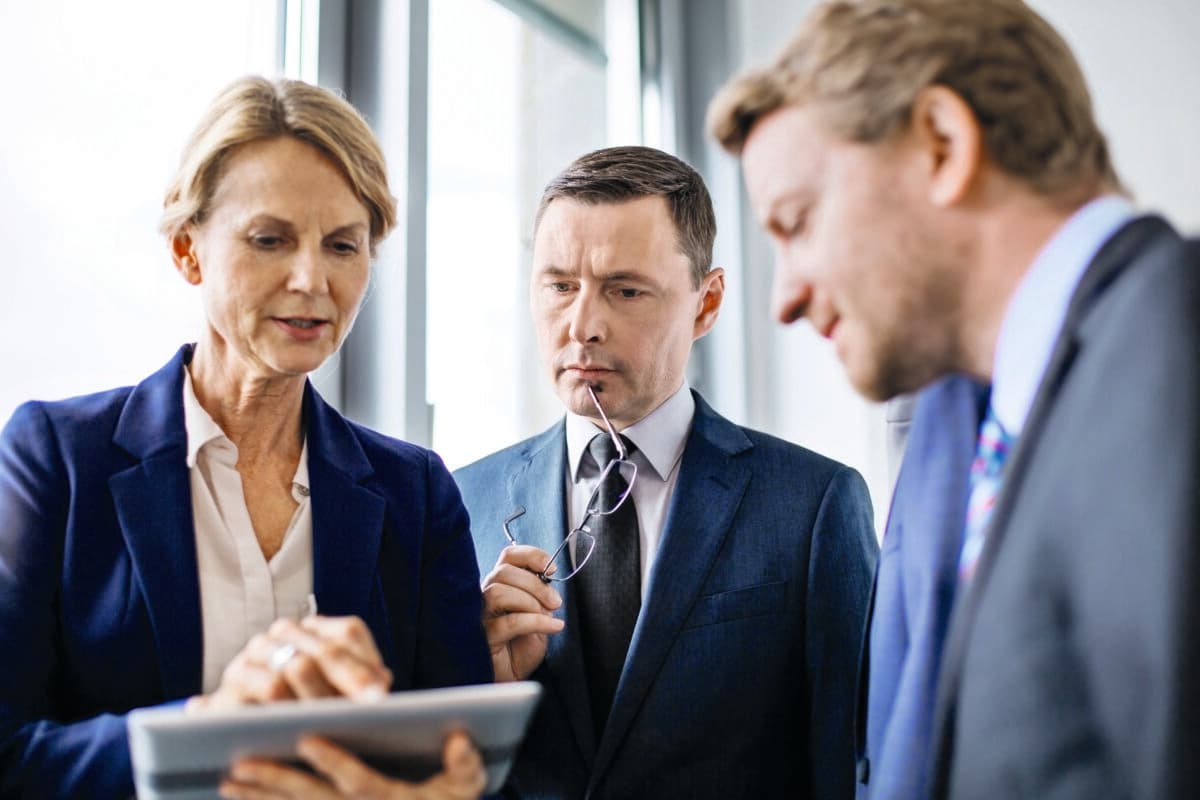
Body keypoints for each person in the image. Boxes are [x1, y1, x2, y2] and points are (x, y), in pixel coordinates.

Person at [708, 0, 1200, 798]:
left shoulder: (1172, 344)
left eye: (796, 222)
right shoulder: (1008, 423)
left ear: (941, 143)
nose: (784, 299)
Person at [0, 76, 492, 799]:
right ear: (187, 251)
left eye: (343, 246)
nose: (311, 279)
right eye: (270, 240)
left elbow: (465, 760)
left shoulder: (416, 492)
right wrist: (204, 728)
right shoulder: (55, 457)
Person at [454, 145, 878, 799]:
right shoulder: (460, 502)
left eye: (625, 290)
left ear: (705, 305)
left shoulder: (813, 506)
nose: (582, 325)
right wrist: (479, 692)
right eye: (560, 286)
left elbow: (848, 765)